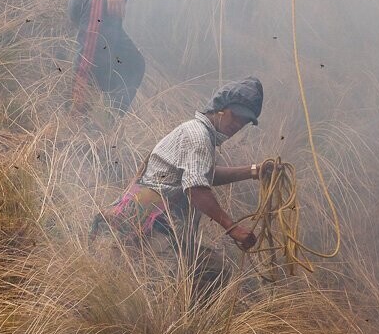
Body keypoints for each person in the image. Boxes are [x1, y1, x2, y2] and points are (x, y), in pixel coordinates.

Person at [95, 77, 267, 253]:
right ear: (221, 108)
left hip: (152, 222)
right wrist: (232, 228)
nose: (238, 124)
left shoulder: (198, 132)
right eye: (235, 115)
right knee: (209, 271)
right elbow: (196, 190)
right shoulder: (198, 137)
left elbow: (203, 173)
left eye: (244, 121)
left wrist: (254, 171)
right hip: (149, 225)